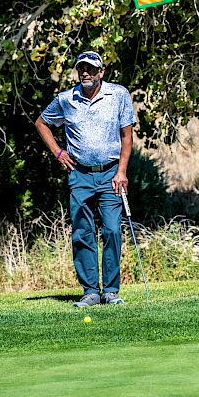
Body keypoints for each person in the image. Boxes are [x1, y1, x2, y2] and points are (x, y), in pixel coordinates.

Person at [35, 51, 136, 307]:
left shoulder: (118, 95)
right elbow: (42, 123)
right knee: (82, 231)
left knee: (112, 229)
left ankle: (111, 291)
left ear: (101, 72)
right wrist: (58, 153)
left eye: (91, 69)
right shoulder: (66, 99)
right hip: (79, 174)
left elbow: (127, 136)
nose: (85, 73)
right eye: (81, 68)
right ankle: (90, 291)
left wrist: (122, 171)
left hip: (111, 173)